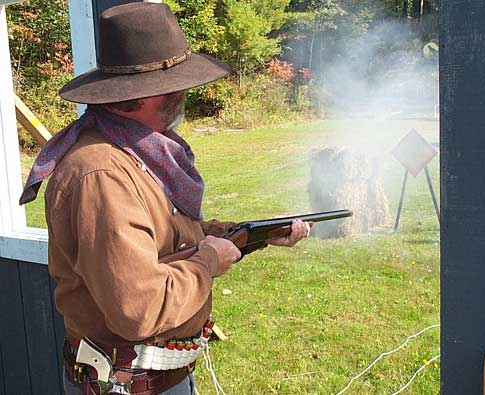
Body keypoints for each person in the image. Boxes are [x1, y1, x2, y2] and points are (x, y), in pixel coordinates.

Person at [19, 3, 310, 395]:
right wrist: (209, 261)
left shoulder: (134, 150)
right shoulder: (102, 174)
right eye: (177, 83)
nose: (185, 92)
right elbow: (138, 310)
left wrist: (243, 235)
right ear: (145, 94)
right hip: (130, 385)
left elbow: (159, 237)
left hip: (156, 379)